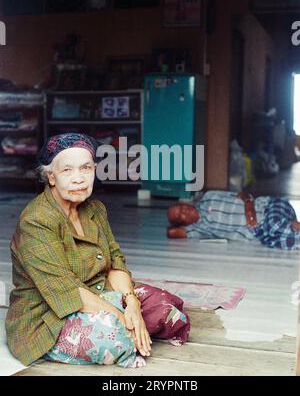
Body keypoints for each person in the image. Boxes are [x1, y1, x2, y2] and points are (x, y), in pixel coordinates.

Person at [5, 133, 190, 368]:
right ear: (51, 177)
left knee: (166, 308)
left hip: (99, 293)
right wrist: (125, 320)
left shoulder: (95, 209)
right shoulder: (36, 220)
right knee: (114, 337)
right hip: (48, 314)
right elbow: (67, 291)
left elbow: (115, 262)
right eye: (67, 171)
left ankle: (126, 325)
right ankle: (123, 332)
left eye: (86, 168)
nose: (79, 179)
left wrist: (131, 303)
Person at [167, 190, 300, 250]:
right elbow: (172, 233)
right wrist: (172, 223)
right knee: (286, 241)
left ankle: (290, 225)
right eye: (180, 216)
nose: (184, 211)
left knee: (274, 225)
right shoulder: (198, 229)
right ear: (183, 223)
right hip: (260, 233)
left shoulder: (209, 196)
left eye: (181, 207)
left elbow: (242, 193)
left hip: (268, 207)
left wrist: (249, 205)